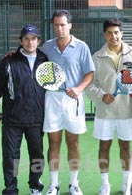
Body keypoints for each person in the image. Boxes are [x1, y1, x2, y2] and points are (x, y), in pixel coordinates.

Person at [85, 19, 132, 195]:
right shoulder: (96, 57)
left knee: (125, 147)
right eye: (110, 33)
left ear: (122, 33)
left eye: (116, 32)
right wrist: (101, 95)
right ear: (105, 35)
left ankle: (126, 183)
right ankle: (105, 184)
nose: (114, 36)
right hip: (105, 112)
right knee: (104, 146)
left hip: (126, 111)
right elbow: (89, 84)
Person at [40, 10, 95, 195]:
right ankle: (53, 185)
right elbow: (30, 53)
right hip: (52, 99)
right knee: (53, 143)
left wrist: (79, 88)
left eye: (63, 24)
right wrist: (14, 53)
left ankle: (73, 184)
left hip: (74, 100)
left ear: (70, 25)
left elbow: (90, 74)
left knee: (73, 143)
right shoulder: (46, 47)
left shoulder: (82, 47)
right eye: (56, 25)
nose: (59, 28)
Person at [0, 24, 47, 195]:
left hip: (37, 119)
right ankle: (11, 189)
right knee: (11, 158)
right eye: (26, 39)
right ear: (20, 41)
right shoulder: (9, 61)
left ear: (38, 41)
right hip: (13, 119)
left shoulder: (45, 60)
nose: (30, 42)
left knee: (37, 156)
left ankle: (35, 185)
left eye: (33, 39)